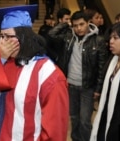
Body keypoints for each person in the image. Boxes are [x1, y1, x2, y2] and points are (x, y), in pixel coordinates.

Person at [0, 5, 69, 141]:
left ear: (24, 36)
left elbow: (54, 133)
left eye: (8, 36)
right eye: (1, 37)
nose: (2, 43)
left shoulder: (49, 74)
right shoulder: (5, 63)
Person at [49, 11, 109, 141]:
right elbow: (52, 34)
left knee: (85, 121)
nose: (78, 28)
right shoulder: (68, 37)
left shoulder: (98, 41)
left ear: (88, 23)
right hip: (70, 85)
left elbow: (101, 67)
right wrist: (65, 24)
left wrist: (98, 89)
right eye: (75, 25)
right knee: (74, 118)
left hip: (88, 87)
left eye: (82, 24)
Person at [90, 20, 120, 141]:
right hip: (107, 117)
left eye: (115, 38)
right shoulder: (112, 62)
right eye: (111, 37)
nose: (110, 41)